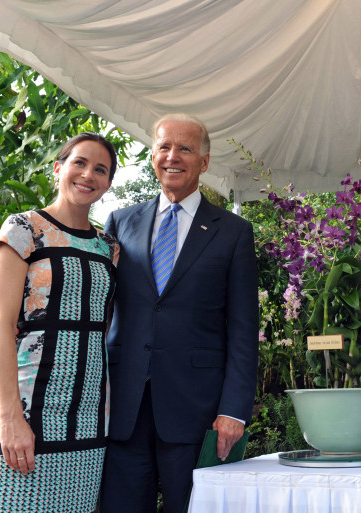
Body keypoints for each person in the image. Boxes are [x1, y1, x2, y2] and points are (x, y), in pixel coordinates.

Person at [99, 113, 258, 513]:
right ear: (153, 154)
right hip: (124, 406)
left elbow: (243, 328)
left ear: (204, 162)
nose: (173, 156)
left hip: (197, 411)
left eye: (185, 148)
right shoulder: (120, 222)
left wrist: (233, 410)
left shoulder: (233, 232)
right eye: (164, 146)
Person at [0, 133, 119, 512]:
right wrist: (11, 418)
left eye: (100, 169)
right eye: (79, 162)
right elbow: (0, 326)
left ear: (108, 184)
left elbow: (102, 328)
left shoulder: (108, 247)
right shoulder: (24, 229)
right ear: (58, 168)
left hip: (90, 414)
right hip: (29, 410)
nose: (88, 174)